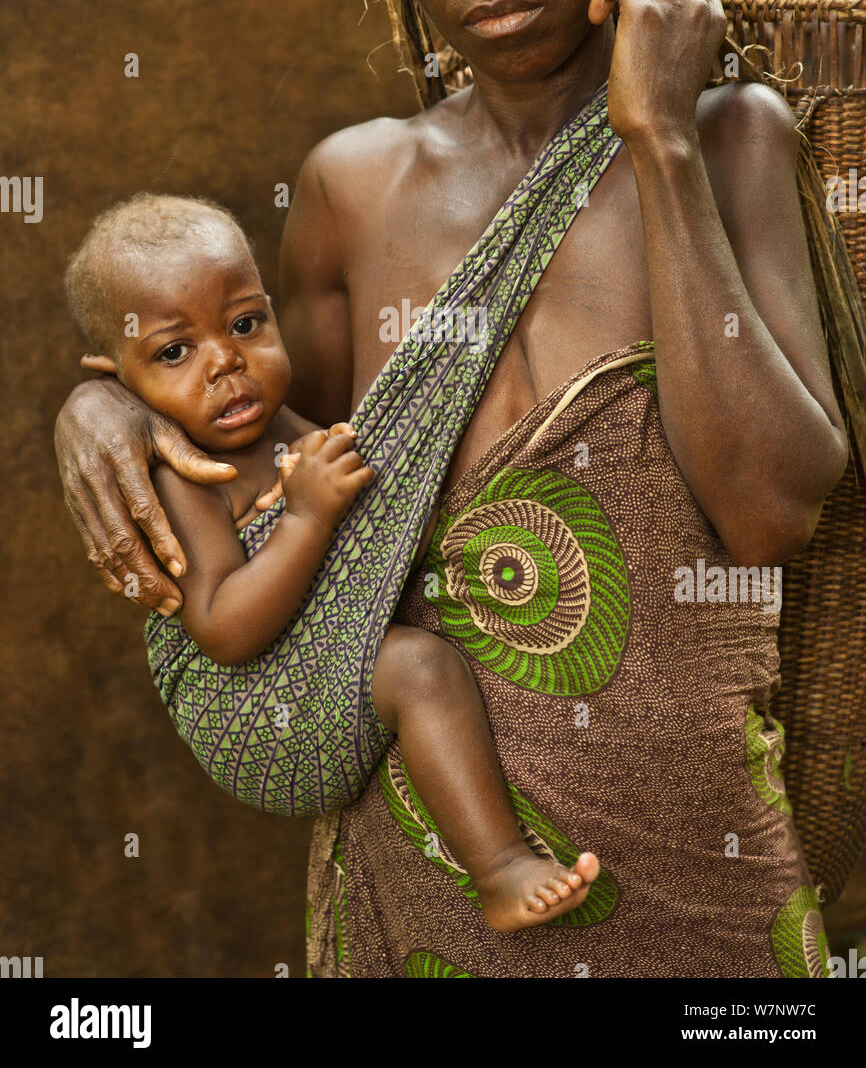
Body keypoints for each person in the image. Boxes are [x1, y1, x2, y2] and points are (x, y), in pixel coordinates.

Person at [55, 0, 849, 977]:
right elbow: (247, 437)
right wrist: (100, 415)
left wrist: (658, 142)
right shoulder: (356, 189)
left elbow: (761, 515)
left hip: (691, 848)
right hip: (426, 864)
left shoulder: (730, 139)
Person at [62, 190, 601, 932]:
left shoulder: (292, 425)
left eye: (246, 324)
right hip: (251, 717)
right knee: (416, 667)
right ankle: (502, 868)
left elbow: (374, 531)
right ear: (116, 380)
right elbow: (223, 629)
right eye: (174, 351)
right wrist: (310, 516)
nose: (226, 362)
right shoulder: (179, 480)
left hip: (314, 674)